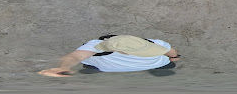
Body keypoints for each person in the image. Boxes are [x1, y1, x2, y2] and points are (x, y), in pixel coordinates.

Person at [39, 35, 180, 77]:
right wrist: (173, 58)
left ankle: (93, 69)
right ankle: (161, 68)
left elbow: (75, 57)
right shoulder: (157, 44)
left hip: (106, 68)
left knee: (88, 64)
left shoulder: (96, 46)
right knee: (168, 63)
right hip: (157, 63)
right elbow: (173, 54)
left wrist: (63, 68)